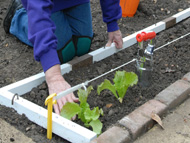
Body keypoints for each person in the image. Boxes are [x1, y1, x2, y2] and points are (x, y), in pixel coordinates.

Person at [3, 0, 123, 115]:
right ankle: (18, 16)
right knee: (64, 53)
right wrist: (54, 77)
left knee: (82, 45)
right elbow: (39, 9)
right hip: (39, 4)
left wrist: (112, 23)